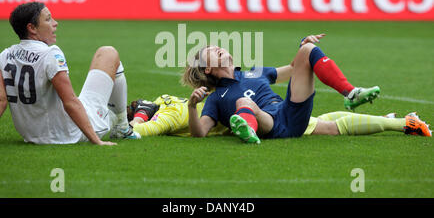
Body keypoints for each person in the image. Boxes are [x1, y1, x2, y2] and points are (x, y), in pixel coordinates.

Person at [181, 35, 431, 144]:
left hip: (290, 112)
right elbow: (199, 133)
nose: (219, 49)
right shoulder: (215, 99)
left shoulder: (254, 72)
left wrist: (303, 47)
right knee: (244, 106)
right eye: (212, 52)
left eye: (217, 47)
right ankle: (249, 132)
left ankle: (350, 92)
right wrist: (192, 106)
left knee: (307, 52)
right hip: (271, 126)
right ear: (209, 70)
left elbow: (293, 68)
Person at [0, 2, 140, 145]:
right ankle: (121, 127)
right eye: (48, 19)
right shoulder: (50, 54)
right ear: (32, 28)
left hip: (33, 136)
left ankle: (118, 120)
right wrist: (96, 141)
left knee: (91, 100)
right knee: (108, 53)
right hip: (70, 133)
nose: (55, 23)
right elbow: (70, 102)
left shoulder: (4, 56)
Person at [127, 95, 431, 138]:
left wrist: (136, 124)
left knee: (328, 129)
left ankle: (403, 123)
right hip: (251, 105)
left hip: (254, 113)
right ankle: (391, 116)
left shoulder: (174, 111)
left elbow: (147, 129)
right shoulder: (167, 100)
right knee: (319, 119)